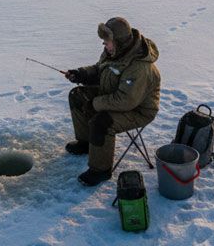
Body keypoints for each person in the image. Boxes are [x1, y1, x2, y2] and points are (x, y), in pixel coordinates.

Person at [65, 17, 161, 186]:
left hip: (137, 110)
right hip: (114, 94)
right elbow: (99, 68)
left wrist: (95, 103)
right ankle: (86, 142)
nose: (104, 45)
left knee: (102, 122)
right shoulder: (113, 51)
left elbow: (126, 101)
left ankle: (100, 170)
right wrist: (81, 74)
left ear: (120, 42)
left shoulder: (139, 67)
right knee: (77, 96)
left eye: (107, 41)